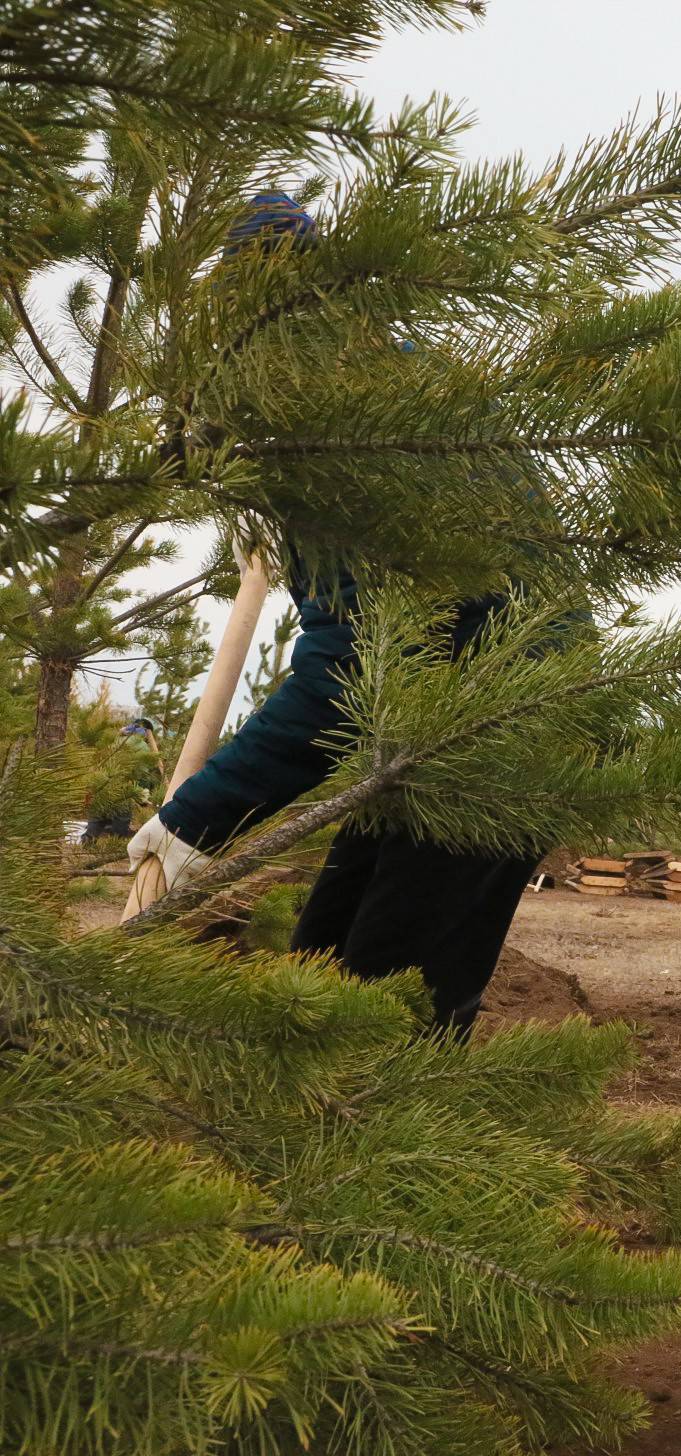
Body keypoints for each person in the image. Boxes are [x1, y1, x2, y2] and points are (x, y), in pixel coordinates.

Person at [127, 194, 550, 1036]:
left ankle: (396, 1119)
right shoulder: (388, 376)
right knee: (322, 962)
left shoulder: (341, 436)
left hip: (501, 731)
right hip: (430, 728)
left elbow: (354, 668)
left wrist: (194, 820)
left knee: (384, 1018)